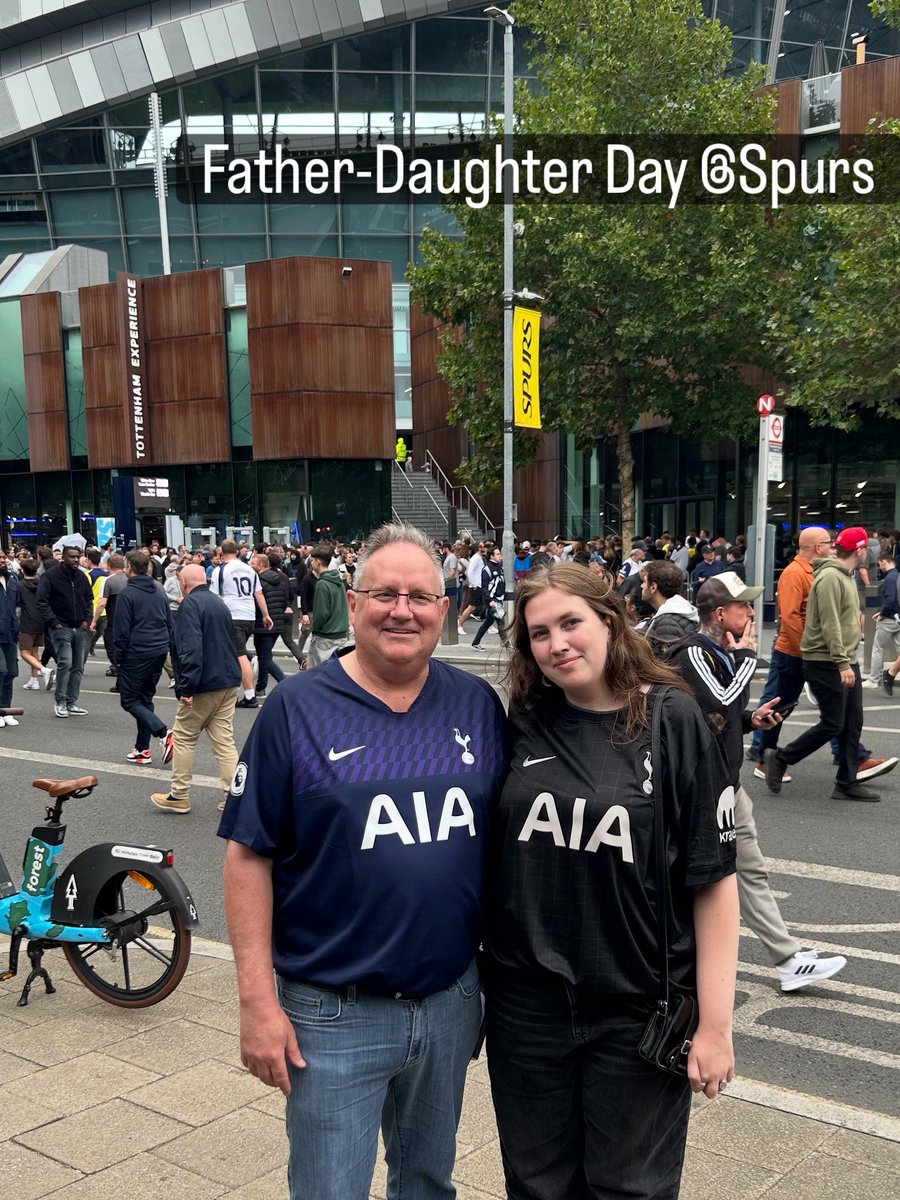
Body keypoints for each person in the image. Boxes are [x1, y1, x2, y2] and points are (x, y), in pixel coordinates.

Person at [219, 523, 506, 1200]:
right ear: (352, 603)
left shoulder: (476, 706)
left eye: (419, 596)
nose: (401, 609)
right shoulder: (298, 709)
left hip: (449, 1003)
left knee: (429, 1183)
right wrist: (257, 1002)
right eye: (384, 594)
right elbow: (247, 858)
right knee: (329, 1190)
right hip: (332, 1010)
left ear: (443, 607)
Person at [484, 563, 738, 1200]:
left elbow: (713, 883)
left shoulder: (672, 720)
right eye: (538, 633)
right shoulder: (526, 720)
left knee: (629, 1189)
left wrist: (715, 1026)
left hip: (634, 1011)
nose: (557, 643)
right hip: (528, 1009)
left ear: (610, 621)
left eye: (571, 622)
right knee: (536, 1185)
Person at [667, 573, 847, 993]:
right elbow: (720, 697)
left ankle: (787, 960)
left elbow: (721, 717)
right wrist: (748, 657)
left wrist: (752, 721)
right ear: (719, 613)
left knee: (750, 871)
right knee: (704, 877)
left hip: (727, 784)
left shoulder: (721, 652)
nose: (751, 613)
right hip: (702, 790)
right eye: (744, 607)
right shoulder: (694, 653)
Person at [747, 528, 893, 783]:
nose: (833, 547)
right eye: (829, 543)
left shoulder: (824, 572)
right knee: (781, 705)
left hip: (816, 653)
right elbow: (791, 617)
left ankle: (851, 757)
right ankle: (764, 756)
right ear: (817, 547)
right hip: (794, 653)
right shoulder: (794, 573)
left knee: (836, 709)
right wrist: (807, 651)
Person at [151, 564, 241, 815]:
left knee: (183, 737)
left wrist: (186, 687)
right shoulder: (218, 602)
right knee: (224, 741)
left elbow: (190, 648)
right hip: (227, 679)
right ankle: (234, 796)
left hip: (203, 682)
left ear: (183, 581)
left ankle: (179, 795)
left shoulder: (190, 605)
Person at [113, 549, 174, 766]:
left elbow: (121, 630)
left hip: (137, 652)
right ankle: (142, 749)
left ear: (128, 567)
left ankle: (163, 732)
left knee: (130, 700)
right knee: (145, 699)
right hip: (158, 649)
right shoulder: (158, 591)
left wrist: (118, 658)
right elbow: (169, 622)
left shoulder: (127, 594)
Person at [211, 539, 273, 709]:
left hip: (232, 614)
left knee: (239, 655)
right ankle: (231, 687)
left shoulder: (220, 570)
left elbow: (214, 596)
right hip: (249, 615)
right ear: (237, 552)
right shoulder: (249, 569)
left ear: (220, 553)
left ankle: (249, 695)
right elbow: (258, 593)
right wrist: (266, 615)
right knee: (232, 652)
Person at [36, 534, 93, 718]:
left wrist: (87, 619)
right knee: (66, 663)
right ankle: (60, 701)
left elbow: (88, 599)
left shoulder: (82, 577)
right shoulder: (51, 576)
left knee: (78, 666)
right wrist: (55, 622)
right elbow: (42, 602)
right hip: (62, 627)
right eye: (72, 557)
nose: (76, 560)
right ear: (63, 557)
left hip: (80, 627)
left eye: (78, 557)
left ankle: (72, 702)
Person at [251, 551, 292, 694]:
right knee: (265, 656)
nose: (251, 566)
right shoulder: (280, 580)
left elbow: (256, 604)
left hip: (263, 623)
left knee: (264, 658)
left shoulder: (258, 583)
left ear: (261, 565)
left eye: (253, 564)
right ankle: (260, 687)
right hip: (278, 622)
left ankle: (285, 682)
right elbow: (285, 599)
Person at [641, 559, 699, 655]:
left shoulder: (667, 623)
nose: (641, 586)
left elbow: (666, 662)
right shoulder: (678, 611)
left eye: (644, 582)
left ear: (653, 587)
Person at [306, 546, 351, 668]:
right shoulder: (338, 581)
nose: (311, 562)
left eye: (313, 560)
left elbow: (321, 613)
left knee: (316, 673)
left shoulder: (322, 584)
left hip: (325, 636)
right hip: (340, 633)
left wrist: (314, 627)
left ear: (318, 562)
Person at [864, 551, 900, 689]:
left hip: (889, 619)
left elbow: (890, 599)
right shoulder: (897, 576)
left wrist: (882, 613)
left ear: (884, 562)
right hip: (898, 618)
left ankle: (874, 679)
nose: (880, 567)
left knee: (878, 648)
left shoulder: (890, 579)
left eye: (880, 564)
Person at [17, 558, 51, 690]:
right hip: (41, 620)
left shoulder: (20, 585)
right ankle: (34, 679)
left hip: (27, 621)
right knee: (35, 651)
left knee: (25, 652)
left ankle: (43, 669)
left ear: (23, 570)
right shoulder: (41, 583)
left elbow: (18, 603)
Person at [471, 546, 509, 651]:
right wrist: (490, 600)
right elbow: (484, 587)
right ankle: (508, 645)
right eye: (497, 554)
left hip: (497, 599)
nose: (500, 556)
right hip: (492, 600)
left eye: (499, 554)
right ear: (492, 556)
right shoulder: (487, 569)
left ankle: (475, 642)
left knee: (488, 622)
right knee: (501, 622)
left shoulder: (499, 568)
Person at [0, 548, 20, 724]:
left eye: (3, 556)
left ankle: (6, 710)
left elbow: (18, 604)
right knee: (1, 670)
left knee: (11, 673)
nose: (3, 560)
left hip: (10, 633)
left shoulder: (12, 578)